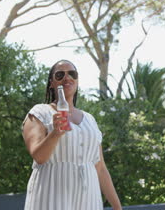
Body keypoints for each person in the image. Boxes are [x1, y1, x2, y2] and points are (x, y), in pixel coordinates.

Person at [22, 60, 122, 210]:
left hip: (88, 198)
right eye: (60, 74)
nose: (67, 78)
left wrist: (118, 207)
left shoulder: (90, 120)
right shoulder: (39, 113)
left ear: (77, 80)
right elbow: (39, 157)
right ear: (51, 83)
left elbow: (100, 168)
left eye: (72, 74)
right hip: (50, 196)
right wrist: (55, 134)